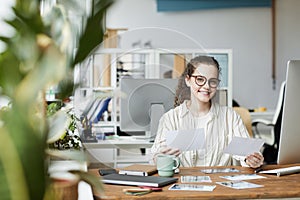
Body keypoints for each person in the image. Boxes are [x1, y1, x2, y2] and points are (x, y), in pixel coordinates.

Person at [150, 55, 264, 168]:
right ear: (188, 80)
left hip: (219, 183)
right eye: (200, 79)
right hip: (183, 183)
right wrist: (160, 157)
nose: (206, 86)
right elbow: (154, 158)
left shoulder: (230, 117)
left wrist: (252, 159)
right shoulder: (170, 118)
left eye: (213, 81)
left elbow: (247, 152)